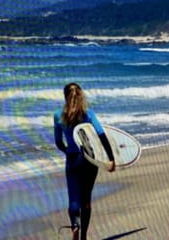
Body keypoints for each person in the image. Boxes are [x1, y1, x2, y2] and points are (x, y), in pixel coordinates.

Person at [54, 82, 115, 240]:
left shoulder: (58, 115)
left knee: (74, 198)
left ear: (65, 96)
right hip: (89, 159)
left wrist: (68, 151)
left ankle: (75, 225)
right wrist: (111, 158)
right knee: (86, 199)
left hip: (73, 159)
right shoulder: (88, 114)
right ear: (81, 95)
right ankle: (84, 237)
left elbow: (58, 142)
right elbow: (101, 135)